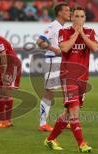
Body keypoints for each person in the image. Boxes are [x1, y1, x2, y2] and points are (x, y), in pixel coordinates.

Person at [44, 6, 98, 152]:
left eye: (82, 16)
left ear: (84, 18)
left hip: (83, 78)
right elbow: (64, 48)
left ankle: (50, 139)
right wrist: (76, 34)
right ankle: (82, 144)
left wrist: (83, 35)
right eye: (76, 16)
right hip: (68, 77)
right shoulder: (64, 31)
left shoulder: (90, 32)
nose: (79, 19)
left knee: (68, 114)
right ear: (72, 18)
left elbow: (95, 48)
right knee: (74, 111)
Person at [36, 3, 70, 132]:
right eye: (66, 11)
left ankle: (66, 120)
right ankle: (43, 123)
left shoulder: (63, 27)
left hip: (62, 61)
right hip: (52, 61)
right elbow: (39, 41)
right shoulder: (53, 26)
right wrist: (53, 49)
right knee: (49, 92)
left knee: (67, 91)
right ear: (59, 13)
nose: (69, 13)